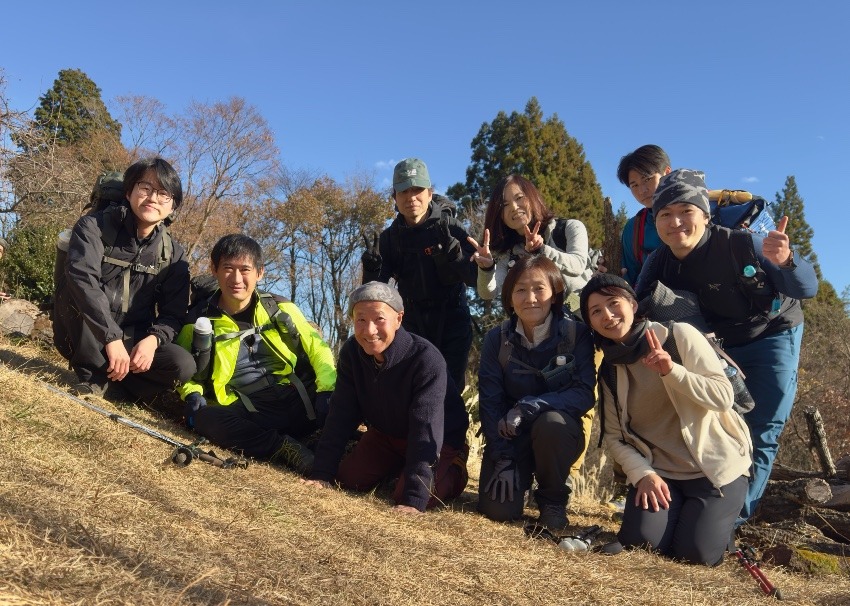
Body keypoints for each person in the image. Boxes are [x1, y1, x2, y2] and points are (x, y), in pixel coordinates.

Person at [635, 169, 818, 522]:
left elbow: (806, 288)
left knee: (763, 426)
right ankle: (710, 510)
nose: (676, 223)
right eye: (665, 215)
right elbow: (636, 309)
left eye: (685, 211)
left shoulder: (740, 244)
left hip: (773, 333)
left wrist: (787, 261)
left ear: (704, 214)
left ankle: (734, 520)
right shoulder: (660, 263)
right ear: (655, 221)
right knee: (721, 425)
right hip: (719, 346)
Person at [580, 273, 752, 565]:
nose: (607, 315)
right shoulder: (610, 368)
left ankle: (716, 530)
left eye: (613, 303)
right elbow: (614, 436)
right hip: (660, 475)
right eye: (596, 311)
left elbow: (723, 396)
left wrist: (672, 371)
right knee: (641, 545)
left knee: (694, 555)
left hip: (714, 471)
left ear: (633, 305)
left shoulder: (678, 336)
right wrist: (643, 474)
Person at [175, 234, 336, 474]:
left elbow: (318, 349)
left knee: (349, 386)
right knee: (205, 418)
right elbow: (189, 373)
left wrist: (327, 390)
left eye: (245, 269)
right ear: (214, 270)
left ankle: (333, 441)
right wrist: (191, 395)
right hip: (251, 411)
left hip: (300, 397)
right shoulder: (198, 321)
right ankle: (283, 447)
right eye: (228, 268)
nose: (236, 278)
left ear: (259, 273)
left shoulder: (280, 308)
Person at [304, 281, 470, 514]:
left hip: (438, 440)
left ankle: (455, 467)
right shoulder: (352, 353)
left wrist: (414, 499)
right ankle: (398, 467)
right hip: (386, 435)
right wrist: (321, 474)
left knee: (407, 494)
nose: (369, 330)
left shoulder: (425, 359)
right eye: (361, 320)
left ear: (399, 319)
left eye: (379, 319)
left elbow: (426, 428)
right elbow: (341, 414)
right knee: (347, 480)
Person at [53, 157, 195, 400]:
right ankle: (92, 377)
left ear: (172, 207)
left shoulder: (173, 254)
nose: (153, 198)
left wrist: (153, 339)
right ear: (129, 192)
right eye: (145, 188)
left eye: (164, 194)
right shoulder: (93, 227)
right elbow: (82, 279)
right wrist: (111, 337)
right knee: (77, 289)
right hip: (84, 330)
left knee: (183, 365)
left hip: (131, 336)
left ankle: (116, 384)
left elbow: (174, 313)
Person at [477, 256, 595, 530]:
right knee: (498, 511)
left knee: (551, 422)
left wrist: (531, 406)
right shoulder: (498, 339)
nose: (530, 298)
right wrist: (503, 457)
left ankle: (552, 499)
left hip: (556, 434)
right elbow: (491, 403)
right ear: (509, 298)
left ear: (554, 294)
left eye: (539, 288)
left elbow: (583, 393)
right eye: (520, 289)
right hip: (510, 435)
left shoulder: (577, 335)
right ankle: (516, 474)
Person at [361, 158, 477, 393]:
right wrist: (371, 274)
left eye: (417, 189)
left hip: (452, 318)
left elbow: (477, 280)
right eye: (403, 191)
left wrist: (457, 257)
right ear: (394, 197)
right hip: (412, 322)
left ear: (430, 193)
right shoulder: (389, 239)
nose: (411, 197)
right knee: (414, 389)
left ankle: (451, 430)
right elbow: (375, 296)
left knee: (450, 391)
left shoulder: (452, 228)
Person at [468, 174, 593, 314]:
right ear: (500, 215)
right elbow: (489, 293)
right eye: (505, 205)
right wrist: (487, 269)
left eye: (519, 198)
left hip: (585, 319)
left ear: (533, 197)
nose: (514, 207)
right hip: (540, 329)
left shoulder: (569, 228)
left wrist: (541, 250)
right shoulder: (510, 253)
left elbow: (577, 265)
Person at [615, 145, 672, 284]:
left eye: (647, 179)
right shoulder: (633, 228)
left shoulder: (697, 214)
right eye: (634, 185)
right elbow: (630, 279)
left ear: (667, 173)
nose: (642, 191)